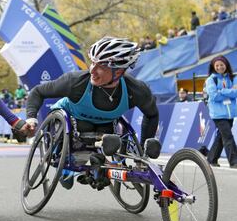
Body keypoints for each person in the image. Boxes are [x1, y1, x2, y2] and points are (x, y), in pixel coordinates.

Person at [25, 36, 159, 189]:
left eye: (101, 66)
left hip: (106, 126)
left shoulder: (136, 90)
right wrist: (31, 118)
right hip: (70, 119)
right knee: (83, 127)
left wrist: (142, 154)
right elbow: (37, 92)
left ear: (119, 72)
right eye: (93, 62)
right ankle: (67, 162)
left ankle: (99, 162)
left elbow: (152, 114)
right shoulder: (75, 82)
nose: (92, 70)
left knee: (110, 135)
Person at [205, 56, 237, 168]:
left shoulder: (233, 78)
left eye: (221, 65)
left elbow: (236, 92)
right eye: (217, 65)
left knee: (221, 136)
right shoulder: (211, 80)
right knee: (228, 136)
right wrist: (230, 91)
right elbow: (213, 96)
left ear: (226, 65)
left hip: (230, 113)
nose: (219, 67)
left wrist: (222, 91)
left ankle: (211, 159)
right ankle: (234, 161)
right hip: (218, 114)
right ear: (213, 67)